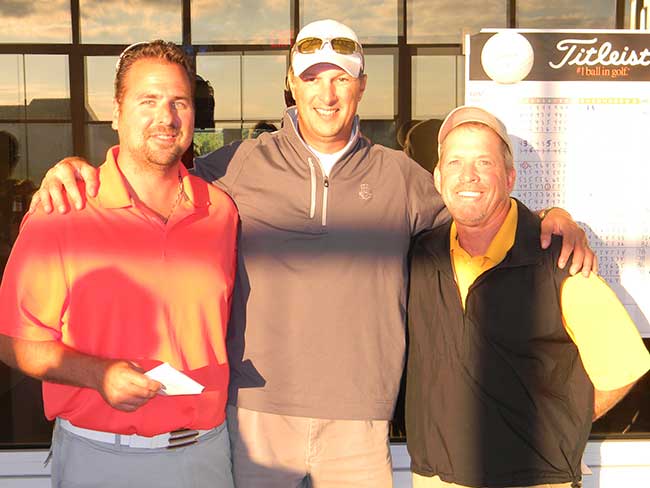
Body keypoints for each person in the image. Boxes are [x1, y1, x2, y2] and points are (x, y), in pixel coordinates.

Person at [30, 21, 594, 488]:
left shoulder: (401, 176)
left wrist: (547, 217)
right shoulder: (236, 166)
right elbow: (150, 166)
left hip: (361, 424)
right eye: (312, 79)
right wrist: (73, 169)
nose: (327, 94)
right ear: (291, 87)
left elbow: (476, 210)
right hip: (252, 420)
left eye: (341, 80)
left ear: (362, 86)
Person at [0, 41, 237, 488]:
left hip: (206, 454)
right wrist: (98, 374)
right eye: (147, 101)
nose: (165, 118)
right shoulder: (63, 210)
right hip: (101, 459)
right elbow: (13, 341)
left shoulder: (221, 211)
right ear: (116, 112)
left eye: (178, 103)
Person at [406, 106, 650, 488]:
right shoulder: (421, 256)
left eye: (483, 162)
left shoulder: (558, 260)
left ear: (509, 177)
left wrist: (558, 429)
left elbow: (624, 366)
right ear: (438, 178)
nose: (467, 175)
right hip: (435, 478)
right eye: (455, 162)